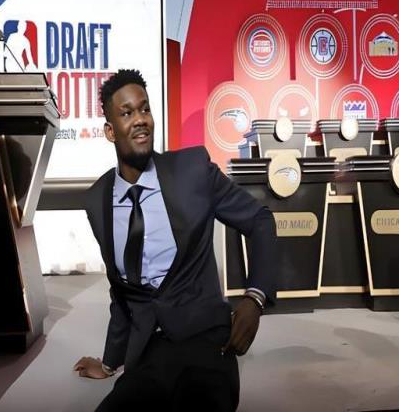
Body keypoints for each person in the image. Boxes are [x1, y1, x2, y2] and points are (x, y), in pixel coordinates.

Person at [74, 69, 277, 411]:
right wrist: (109, 363)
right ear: (110, 130)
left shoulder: (191, 170)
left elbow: (260, 220)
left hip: (206, 342)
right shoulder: (97, 201)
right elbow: (121, 292)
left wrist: (255, 298)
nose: (140, 119)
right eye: (127, 113)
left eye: (145, 109)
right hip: (147, 353)